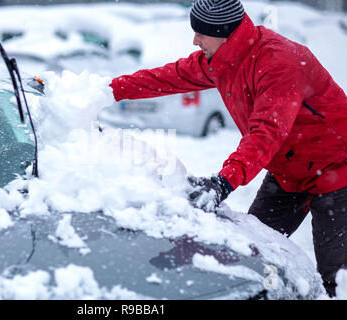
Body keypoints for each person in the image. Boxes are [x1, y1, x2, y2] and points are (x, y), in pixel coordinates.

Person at [109, 0, 347, 297]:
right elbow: (169, 76)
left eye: (201, 33)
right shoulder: (220, 60)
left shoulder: (280, 62)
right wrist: (109, 90)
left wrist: (225, 181)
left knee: (337, 280)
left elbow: (266, 131)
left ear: (224, 33)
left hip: (337, 169)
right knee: (256, 255)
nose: (195, 40)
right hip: (288, 172)